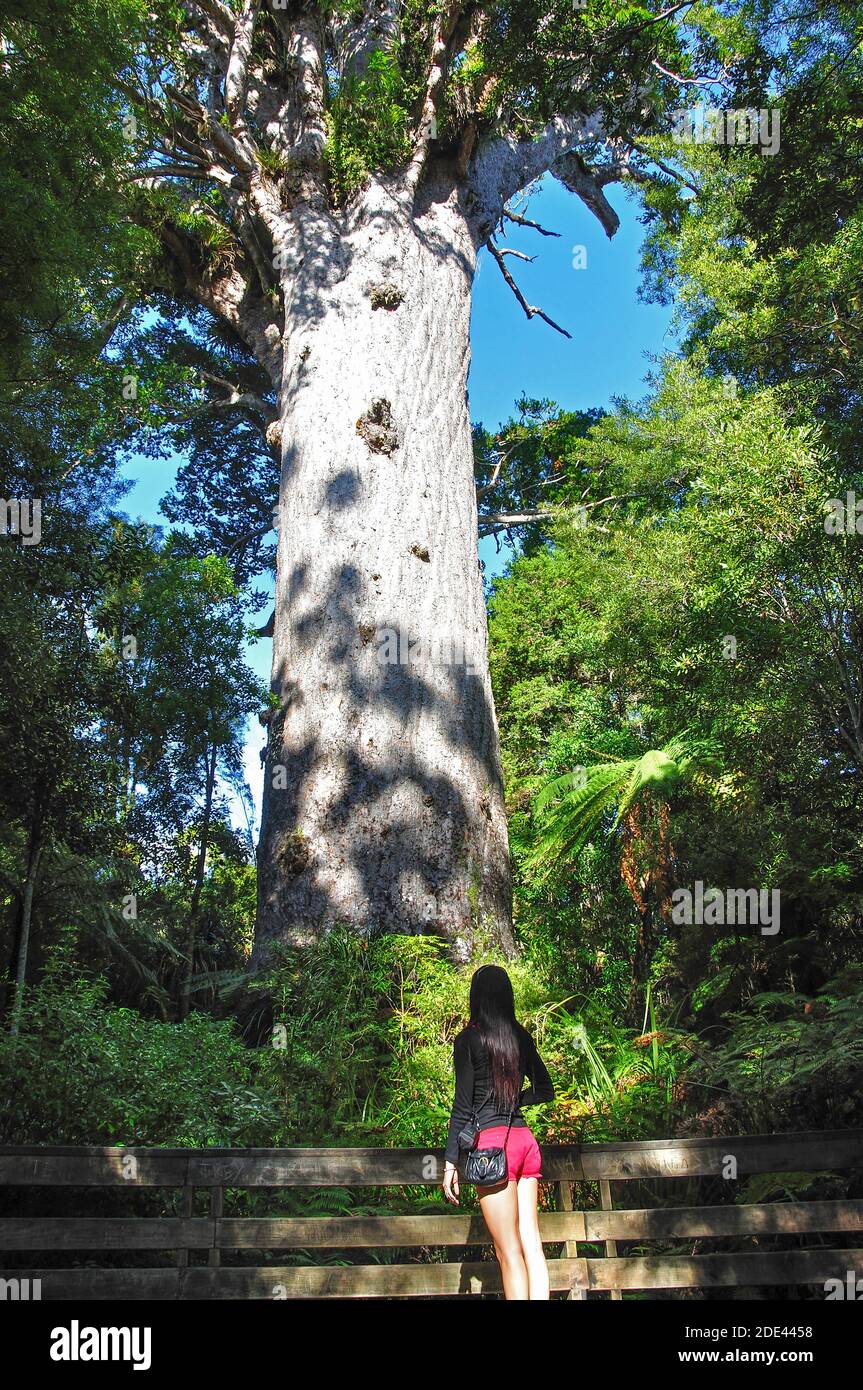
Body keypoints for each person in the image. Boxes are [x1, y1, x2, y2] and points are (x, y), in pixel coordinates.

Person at [442, 964, 555, 1300]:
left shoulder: (469, 1040)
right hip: (524, 1142)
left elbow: (462, 1106)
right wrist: (513, 1100)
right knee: (531, 1243)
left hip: (493, 1149)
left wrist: (450, 1162)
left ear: (476, 997)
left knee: (508, 1252)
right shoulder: (520, 1036)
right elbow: (546, 1090)